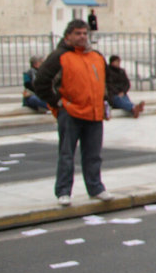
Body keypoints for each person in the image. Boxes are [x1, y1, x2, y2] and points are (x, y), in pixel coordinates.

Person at [34, 19, 114, 205]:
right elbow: (40, 82)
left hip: (94, 113)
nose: (82, 37)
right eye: (78, 33)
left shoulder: (96, 56)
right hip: (70, 112)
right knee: (67, 154)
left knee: (93, 154)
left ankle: (96, 188)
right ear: (68, 36)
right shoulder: (59, 57)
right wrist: (56, 101)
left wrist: (106, 101)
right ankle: (63, 191)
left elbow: (107, 80)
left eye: (85, 33)